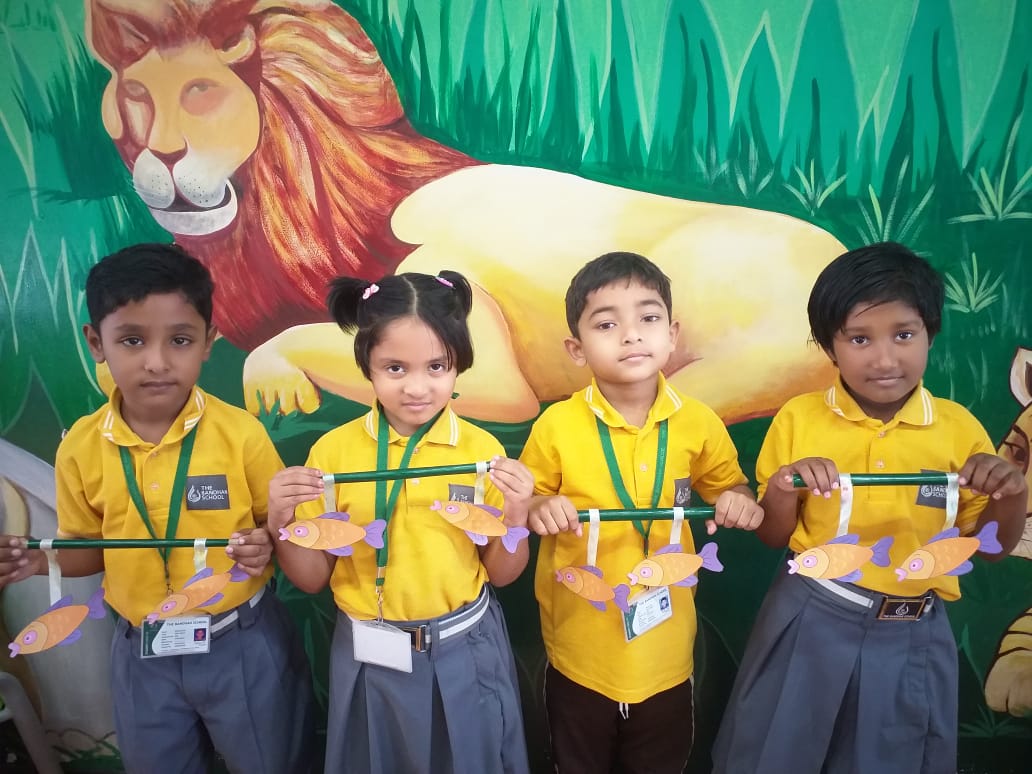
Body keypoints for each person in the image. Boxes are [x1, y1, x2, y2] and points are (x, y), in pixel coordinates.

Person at [711, 242, 1027, 774]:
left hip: (914, 630)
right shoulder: (799, 418)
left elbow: (991, 549)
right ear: (829, 347)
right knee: (776, 753)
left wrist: (1012, 494)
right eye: (859, 339)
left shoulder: (959, 429)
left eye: (904, 334)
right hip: (811, 614)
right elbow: (772, 536)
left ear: (930, 333)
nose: (884, 359)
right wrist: (787, 485)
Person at [0, 243, 314, 773]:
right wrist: (40, 560)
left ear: (208, 342)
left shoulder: (241, 434)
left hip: (239, 641)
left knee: (270, 761)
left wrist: (265, 543)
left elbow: (275, 526)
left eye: (180, 340)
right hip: (141, 651)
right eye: (132, 340)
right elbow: (88, 548)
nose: (157, 362)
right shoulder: (80, 448)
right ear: (96, 343)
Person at [268, 270, 532, 774]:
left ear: (459, 365)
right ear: (366, 366)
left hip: (464, 647)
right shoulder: (333, 452)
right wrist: (283, 521)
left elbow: (502, 573)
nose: (416, 387)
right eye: (394, 367)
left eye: (437, 366)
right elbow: (313, 578)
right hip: (368, 650)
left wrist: (517, 513)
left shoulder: (482, 452)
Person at [520, 251, 764, 774]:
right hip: (578, 650)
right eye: (606, 324)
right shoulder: (556, 425)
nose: (631, 336)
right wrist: (539, 506)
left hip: (667, 651)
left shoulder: (699, 422)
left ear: (671, 335)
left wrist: (738, 500)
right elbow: (525, 504)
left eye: (648, 319)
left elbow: (733, 486)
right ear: (576, 348)